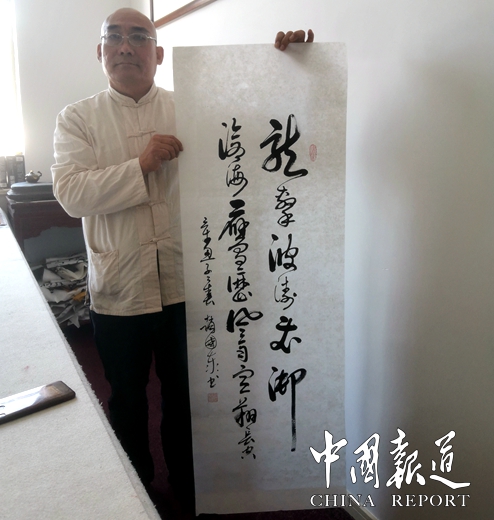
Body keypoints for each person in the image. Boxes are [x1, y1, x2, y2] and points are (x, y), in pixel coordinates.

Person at [52, 6, 314, 503]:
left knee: (188, 397)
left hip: (188, 284)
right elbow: (71, 194)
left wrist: (292, 67)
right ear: (100, 51)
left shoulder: (192, 107)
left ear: (158, 53)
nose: (125, 46)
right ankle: (135, 495)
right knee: (126, 398)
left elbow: (260, 129)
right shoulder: (77, 118)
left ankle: (191, 489)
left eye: (139, 37)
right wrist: (140, 165)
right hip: (120, 289)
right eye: (114, 37)